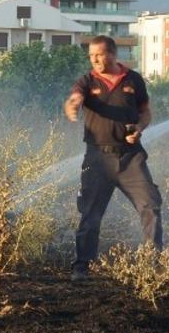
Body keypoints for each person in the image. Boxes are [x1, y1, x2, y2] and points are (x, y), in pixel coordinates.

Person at [64, 35, 163, 281]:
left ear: (113, 54)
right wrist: (74, 105)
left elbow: (146, 112)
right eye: (91, 56)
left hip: (131, 158)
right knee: (90, 214)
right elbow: (75, 97)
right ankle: (82, 266)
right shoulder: (87, 81)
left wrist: (139, 128)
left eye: (99, 55)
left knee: (151, 206)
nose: (95, 60)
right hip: (98, 158)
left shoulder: (134, 80)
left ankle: (153, 264)